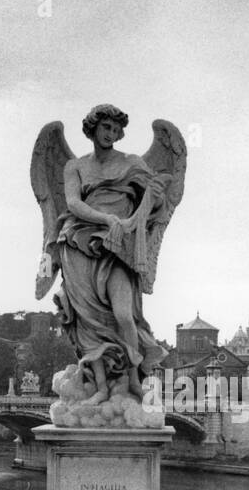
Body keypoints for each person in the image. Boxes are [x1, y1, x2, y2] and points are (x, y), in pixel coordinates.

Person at [48, 104, 167, 402]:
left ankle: (132, 381)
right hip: (80, 242)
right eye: (105, 128)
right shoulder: (74, 166)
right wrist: (107, 219)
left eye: (116, 130)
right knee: (89, 321)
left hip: (120, 247)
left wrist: (149, 203)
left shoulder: (133, 163)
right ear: (93, 128)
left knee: (124, 316)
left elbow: (156, 202)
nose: (111, 135)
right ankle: (101, 388)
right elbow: (73, 204)